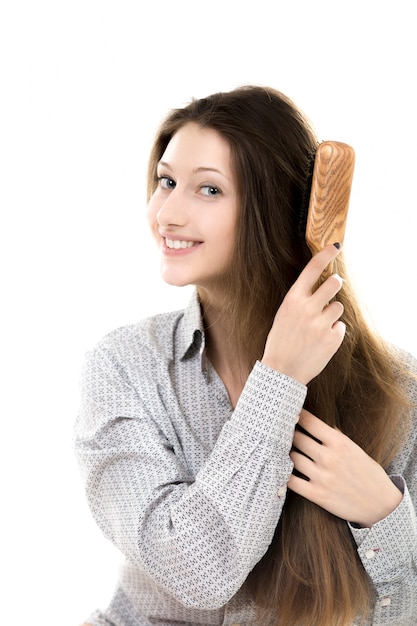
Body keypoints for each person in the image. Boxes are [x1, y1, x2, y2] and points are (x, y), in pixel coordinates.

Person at [74, 85, 417, 626]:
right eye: (166, 182)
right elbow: (196, 572)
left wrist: (386, 517)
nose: (167, 212)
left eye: (208, 190)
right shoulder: (126, 369)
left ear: (277, 209)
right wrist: (278, 379)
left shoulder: (396, 390)